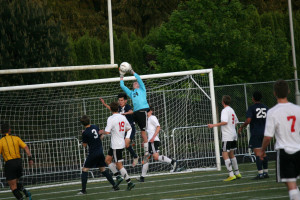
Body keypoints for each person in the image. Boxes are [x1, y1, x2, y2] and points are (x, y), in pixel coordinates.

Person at [258, 80, 300, 200]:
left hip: (284, 151)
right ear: (288, 91)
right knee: (293, 186)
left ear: (274, 93)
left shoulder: (272, 112)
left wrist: (262, 150)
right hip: (298, 149)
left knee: (291, 185)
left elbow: (268, 137)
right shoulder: (297, 109)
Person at [78, 115, 120, 194]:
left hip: (93, 153)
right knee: (103, 170)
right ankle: (115, 186)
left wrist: (83, 135)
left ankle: (83, 190)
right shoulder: (95, 126)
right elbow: (101, 136)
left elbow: (84, 145)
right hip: (100, 152)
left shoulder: (85, 132)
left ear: (82, 124)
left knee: (84, 170)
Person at [136, 106, 177, 182]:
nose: (147, 112)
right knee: (148, 157)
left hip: (153, 141)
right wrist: (145, 141)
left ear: (151, 111)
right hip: (150, 141)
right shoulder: (147, 120)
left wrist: (153, 138)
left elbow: (158, 127)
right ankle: (142, 177)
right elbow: (148, 132)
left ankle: (172, 162)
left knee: (152, 157)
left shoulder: (152, 117)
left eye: (148, 111)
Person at [100, 102, 135, 191]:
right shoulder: (122, 117)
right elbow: (129, 128)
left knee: (119, 165)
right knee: (107, 160)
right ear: (118, 109)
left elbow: (107, 132)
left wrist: (101, 131)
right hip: (116, 144)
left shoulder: (111, 118)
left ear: (111, 109)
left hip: (117, 145)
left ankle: (129, 182)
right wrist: (127, 137)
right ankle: (118, 176)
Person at [208, 95, 242, 181]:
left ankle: (231, 174)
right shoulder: (232, 110)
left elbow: (225, 122)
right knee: (231, 154)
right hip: (233, 135)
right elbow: (236, 122)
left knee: (224, 154)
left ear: (223, 102)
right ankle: (237, 173)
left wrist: (213, 125)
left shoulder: (225, 110)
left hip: (227, 136)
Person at [100, 93, 139, 167]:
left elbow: (131, 111)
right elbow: (111, 108)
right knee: (121, 145)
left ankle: (135, 156)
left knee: (126, 144)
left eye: (122, 100)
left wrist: (124, 114)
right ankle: (118, 160)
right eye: (119, 100)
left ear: (125, 101)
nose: (120, 102)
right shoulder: (118, 108)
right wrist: (104, 104)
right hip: (123, 130)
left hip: (130, 129)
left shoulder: (127, 106)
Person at [120, 68, 150, 163]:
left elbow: (139, 79)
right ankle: (131, 141)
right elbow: (122, 86)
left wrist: (132, 71)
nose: (135, 83)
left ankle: (146, 152)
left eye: (136, 83)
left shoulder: (142, 89)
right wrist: (121, 75)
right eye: (134, 83)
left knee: (143, 132)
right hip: (135, 112)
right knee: (129, 125)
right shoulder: (131, 93)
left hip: (142, 111)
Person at [238, 91, 269, 180]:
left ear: (253, 98)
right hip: (265, 132)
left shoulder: (252, 108)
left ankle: (260, 174)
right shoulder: (266, 108)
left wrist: (242, 127)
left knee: (257, 153)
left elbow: (248, 120)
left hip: (256, 132)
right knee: (263, 152)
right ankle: (266, 172)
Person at [0, 123, 33, 200]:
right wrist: (30, 158)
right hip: (18, 163)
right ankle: (25, 192)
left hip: (9, 163)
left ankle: (23, 196)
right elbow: (26, 147)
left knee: (12, 186)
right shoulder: (16, 138)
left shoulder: (1, 141)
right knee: (16, 183)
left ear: (1, 131)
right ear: (10, 130)